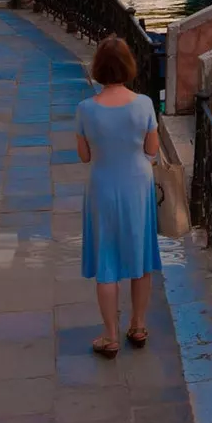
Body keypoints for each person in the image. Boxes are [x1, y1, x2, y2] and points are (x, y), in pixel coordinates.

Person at [76, 38, 162, 358]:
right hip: (138, 185)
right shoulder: (144, 104)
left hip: (102, 186)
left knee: (107, 262)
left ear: (98, 69)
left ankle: (110, 336)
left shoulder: (86, 108)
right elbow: (152, 149)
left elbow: (84, 155)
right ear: (129, 65)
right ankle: (138, 326)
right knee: (140, 258)